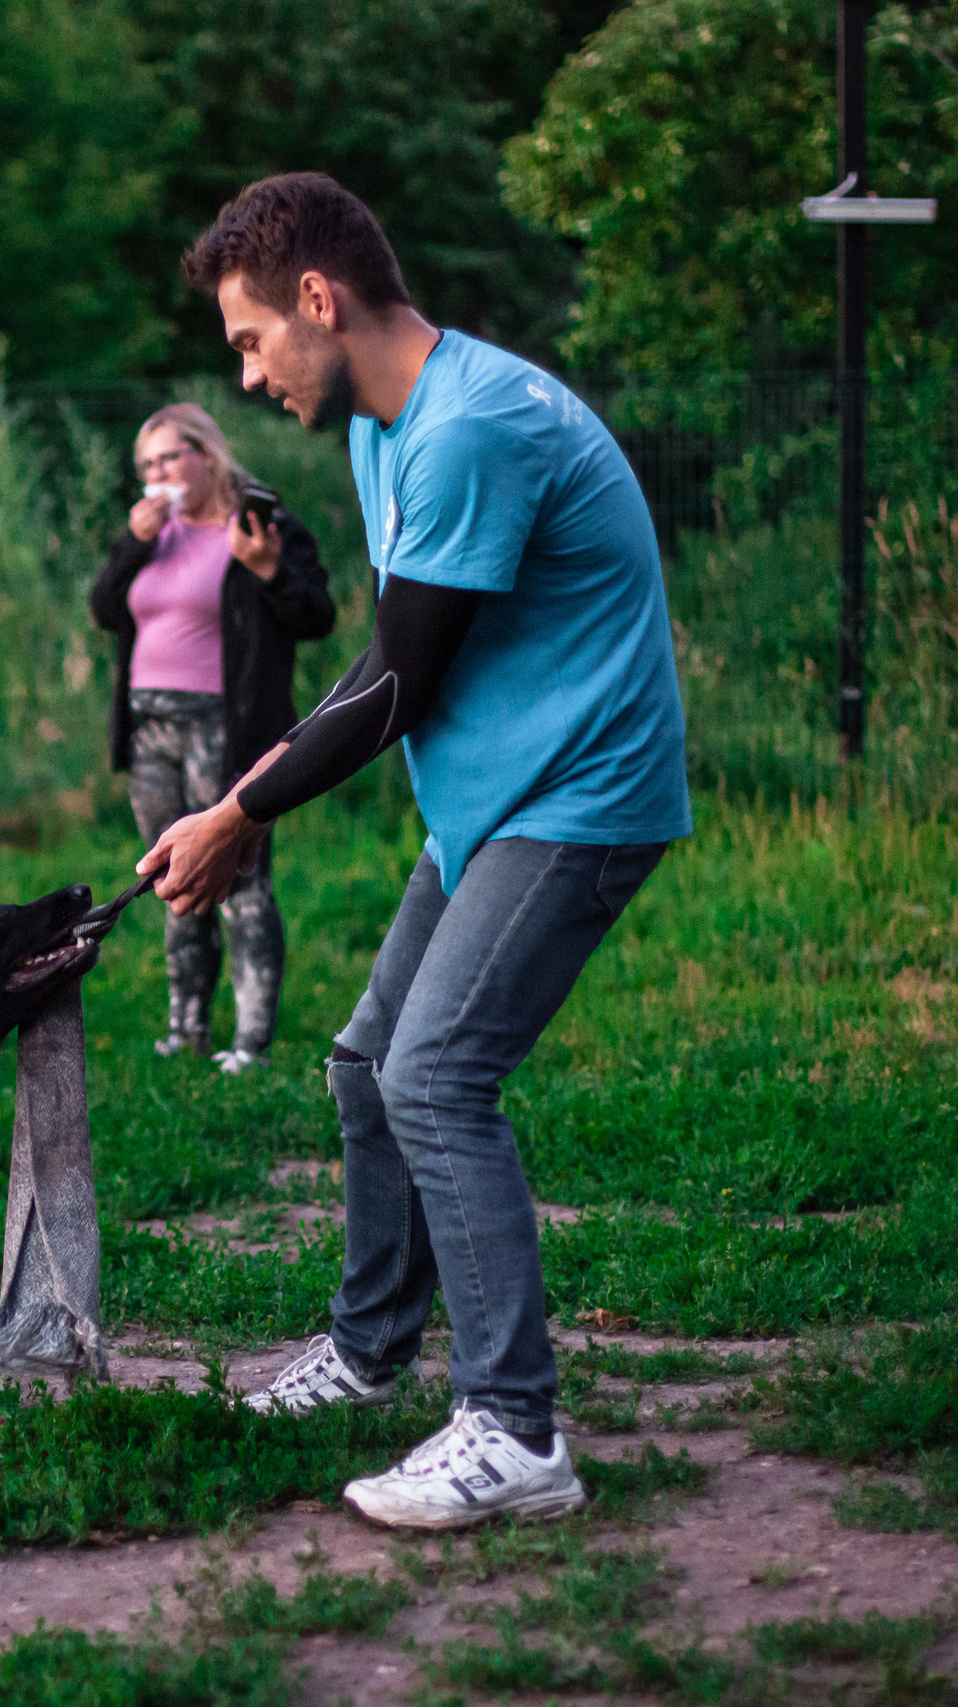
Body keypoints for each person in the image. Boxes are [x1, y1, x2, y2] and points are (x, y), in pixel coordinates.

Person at [141, 174, 691, 1529]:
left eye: (254, 339)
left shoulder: (472, 427)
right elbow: (394, 660)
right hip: (494, 804)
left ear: (319, 301)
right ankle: (373, 1350)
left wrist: (239, 808)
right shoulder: (392, 428)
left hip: (579, 798)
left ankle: (515, 1428)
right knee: (367, 1060)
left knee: (437, 1075)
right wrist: (242, 799)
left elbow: (399, 686)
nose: (251, 371)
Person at [89, 404, 334, 1071]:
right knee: (174, 876)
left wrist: (269, 571)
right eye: (147, 465)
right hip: (149, 726)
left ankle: (251, 1040)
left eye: (169, 458)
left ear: (207, 454)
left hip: (228, 729)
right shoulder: (150, 533)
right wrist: (133, 544)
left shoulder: (261, 525)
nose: (158, 474)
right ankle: (186, 1028)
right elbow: (104, 609)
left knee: (241, 876)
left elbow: (316, 615)